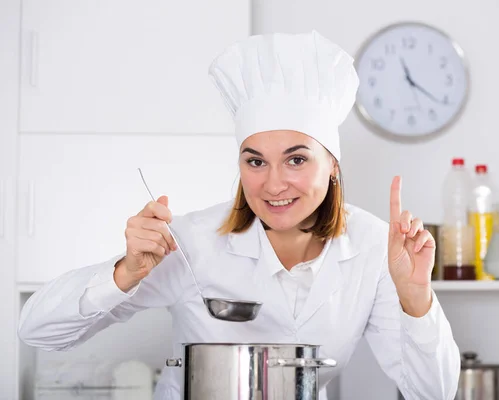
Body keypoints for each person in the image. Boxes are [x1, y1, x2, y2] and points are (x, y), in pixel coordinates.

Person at [18, 30, 460, 399]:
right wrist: (124, 273)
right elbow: (37, 332)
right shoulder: (190, 242)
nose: (272, 184)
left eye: (296, 160)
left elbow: (433, 392)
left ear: (333, 166)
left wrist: (415, 297)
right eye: (255, 161)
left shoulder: (373, 246)